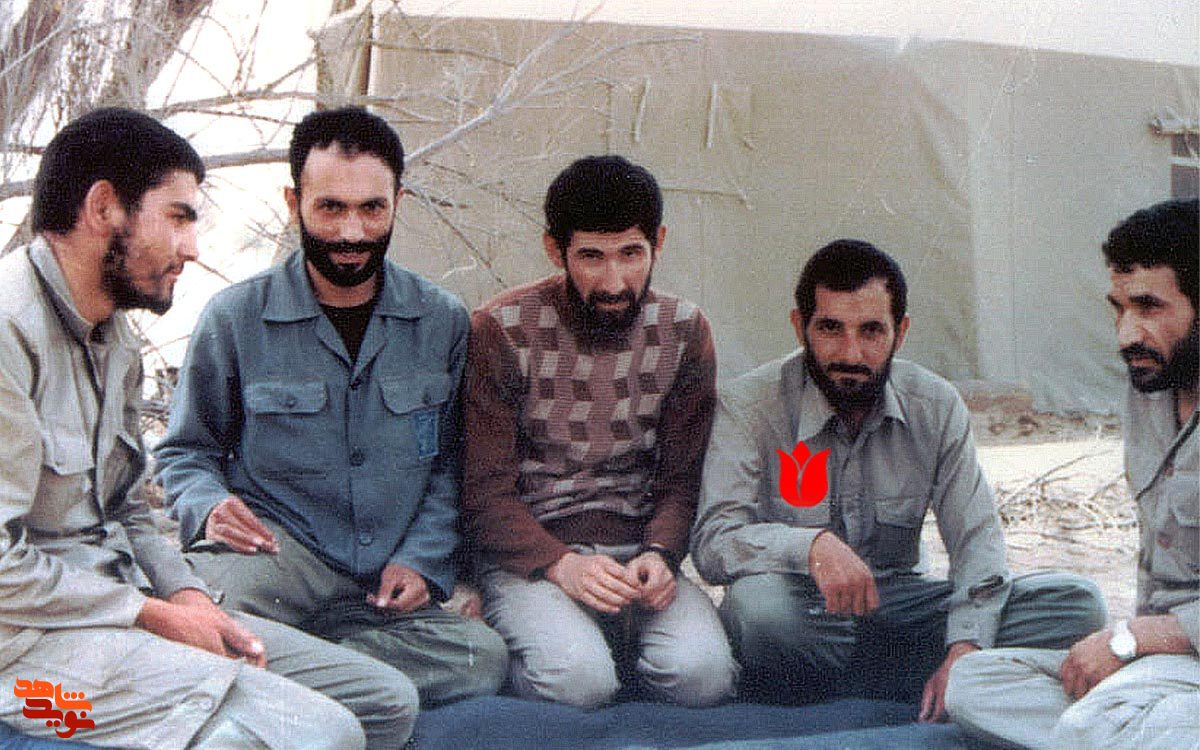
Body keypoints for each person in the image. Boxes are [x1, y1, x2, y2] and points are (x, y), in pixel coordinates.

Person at [0, 107, 416, 749]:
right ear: (104, 207)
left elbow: (127, 511)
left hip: (113, 611)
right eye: (178, 217)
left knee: (385, 704)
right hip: (25, 667)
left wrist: (185, 595)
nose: (192, 247)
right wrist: (150, 614)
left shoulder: (114, 339)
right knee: (317, 733)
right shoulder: (8, 330)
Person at [155, 106, 507, 708]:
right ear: (294, 204)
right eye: (330, 208)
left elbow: (451, 465)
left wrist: (422, 560)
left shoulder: (442, 320)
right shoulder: (235, 317)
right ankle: (334, 676)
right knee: (204, 615)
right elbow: (186, 453)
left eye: (372, 209)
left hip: (382, 582)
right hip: (272, 556)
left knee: (482, 657)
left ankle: (297, 668)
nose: (351, 233)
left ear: (398, 203)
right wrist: (208, 505)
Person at [691, 239, 1106, 719]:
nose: (851, 353)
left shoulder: (936, 405)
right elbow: (713, 541)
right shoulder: (750, 407)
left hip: (903, 609)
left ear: (900, 332)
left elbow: (976, 541)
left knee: (1077, 606)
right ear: (799, 327)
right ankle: (902, 682)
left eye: (871, 331)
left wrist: (966, 648)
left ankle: (854, 685)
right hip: (806, 613)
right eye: (830, 329)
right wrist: (810, 547)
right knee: (759, 611)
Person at [462, 155, 738, 709]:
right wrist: (560, 564)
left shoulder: (684, 331)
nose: (614, 282)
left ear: (658, 243)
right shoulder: (501, 329)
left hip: (637, 554)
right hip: (533, 558)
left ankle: (609, 649)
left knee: (703, 677)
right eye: (591, 256)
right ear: (555, 249)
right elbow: (483, 491)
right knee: (577, 683)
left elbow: (682, 480)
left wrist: (661, 553)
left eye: (631, 254)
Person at [946, 198, 1199, 748]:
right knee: (972, 684)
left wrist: (1132, 641)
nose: (1126, 335)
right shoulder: (1149, 389)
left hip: (1171, 651)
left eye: (1148, 307)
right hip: (1166, 669)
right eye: (1119, 309)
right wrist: (1132, 654)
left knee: (1094, 722)